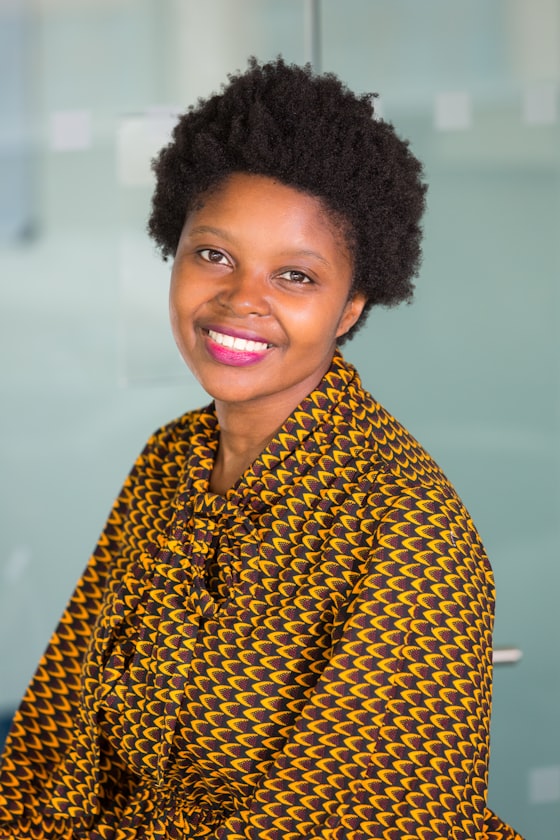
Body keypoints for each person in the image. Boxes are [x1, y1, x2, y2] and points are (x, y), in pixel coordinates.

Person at [0, 57, 522, 840]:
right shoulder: (168, 462)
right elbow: (56, 736)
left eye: (295, 276)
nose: (242, 301)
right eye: (214, 254)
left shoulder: (406, 532)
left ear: (352, 306)